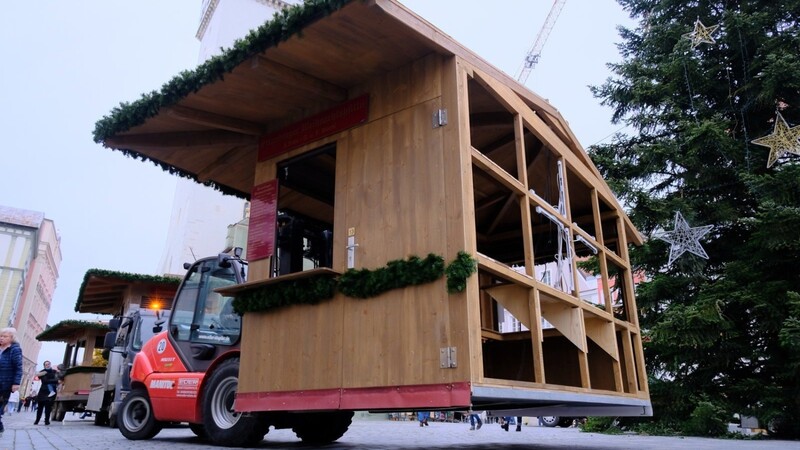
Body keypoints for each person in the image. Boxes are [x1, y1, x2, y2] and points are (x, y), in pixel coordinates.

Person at [0, 327, 23, 435]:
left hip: (5, 382)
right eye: (1, 336)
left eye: (5, 336)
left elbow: (18, 367)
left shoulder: (14, 349)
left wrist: (16, 383)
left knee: (0, 404)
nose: (1, 338)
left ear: (12, 338)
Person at [34, 361, 57, 425]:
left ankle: (47, 420)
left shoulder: (54, 371)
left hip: (51, 392)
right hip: (43, 391)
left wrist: (56, 381)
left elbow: (57, 379)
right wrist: (55, 380)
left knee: (48, 408)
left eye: (48, 364)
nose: (47, 365)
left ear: (50, 364)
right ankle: (37, 420)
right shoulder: (42, 372)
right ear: (44, 365)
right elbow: (45, 381)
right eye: (46, 364)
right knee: (40, 407)